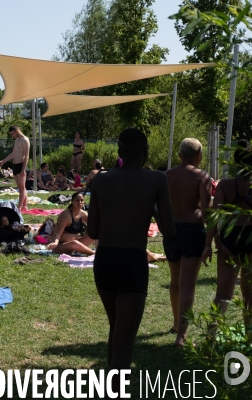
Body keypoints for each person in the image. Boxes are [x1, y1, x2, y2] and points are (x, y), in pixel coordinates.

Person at [87, 128, 175, 392]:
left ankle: (108, 388)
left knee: (116, 329)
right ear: (145, 151)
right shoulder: (156, 179)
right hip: (133, 260)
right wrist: (153, 209)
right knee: (125, 342)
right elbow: (170, 230)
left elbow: (92, 232)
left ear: (119, 153)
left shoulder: (101, 181)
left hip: (105, 260)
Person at [163, 138, 212, 347]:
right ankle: (181, 336)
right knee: (188, 285)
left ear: (180, 156)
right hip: (193, 230)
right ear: (199, 157)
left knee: (175, 281)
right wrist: (211, 240)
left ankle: (176, 324)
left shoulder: (166, 176)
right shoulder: (202, 177)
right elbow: (208, 211)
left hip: (171, 231)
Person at [203, 140, 252, 328]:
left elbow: (214, 218)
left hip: (229, 240)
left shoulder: (224, 186)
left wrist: (207, 245)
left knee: (223, 296)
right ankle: (249, 340)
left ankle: (210, 341)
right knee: (249, 297)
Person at [0, 125, 29, 212]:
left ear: (16, 130)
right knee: (21, 187)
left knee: (22, 187)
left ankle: (19, 207)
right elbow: (13, 154)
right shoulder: (17, 140)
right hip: (15, 165)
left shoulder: (25, 140)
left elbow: (27, 156)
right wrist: (3, 161)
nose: (12, 135)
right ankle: (24, 206)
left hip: (21, 165)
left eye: (12, 133)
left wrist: (23, 169)